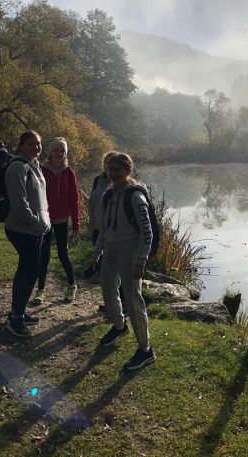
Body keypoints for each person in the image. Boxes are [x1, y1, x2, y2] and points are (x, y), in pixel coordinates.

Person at [91, 152, 156, 370]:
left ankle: (145, 350)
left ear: (128, 171)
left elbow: (147, 233)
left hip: (130, 251)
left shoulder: (136, 197)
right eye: (111, 169)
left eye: (118, 170)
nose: (114, 174)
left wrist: (140, 260)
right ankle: (119, 325)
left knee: (133, 298)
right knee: (108, 289)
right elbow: (104, 228)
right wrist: (97, 252)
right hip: (110, 249)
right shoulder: (108, 195)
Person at [4, 130, 50, 338]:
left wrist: (44, 222)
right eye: (31, 144)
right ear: (21, 145)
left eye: (38, 144)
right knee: (31, 270)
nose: (36, 148)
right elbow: (19, 203)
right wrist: (36, 223)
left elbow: (39, 199)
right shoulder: (17, 167)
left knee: (26, 269)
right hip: (22, 229)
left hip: (34, 229)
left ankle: (18, 312)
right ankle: (16, 319)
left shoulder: (35, 165)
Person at [33, 137, 80, 304]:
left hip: (61, 219)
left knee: (62, 254)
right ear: (50, 152)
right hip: (44, 218)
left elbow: (75, 200)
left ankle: (72, 285)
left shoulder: (69, 173)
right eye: (56, 150)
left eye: (62, 151)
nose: (59, 153)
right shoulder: (40, 170)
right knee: (43, 254)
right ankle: (41, 289)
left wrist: (76, 224)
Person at [87, 150, 126, 312]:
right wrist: (90, 220)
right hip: (98, 229)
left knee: (117, 270)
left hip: (114, 232)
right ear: (104, 165)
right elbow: (92, 201)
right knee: (104, 270)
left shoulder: (121, 183)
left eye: (113, 165)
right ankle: (110, 302)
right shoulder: (98, 179)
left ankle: (123, 303)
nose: (110, 168)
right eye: (107, 164)